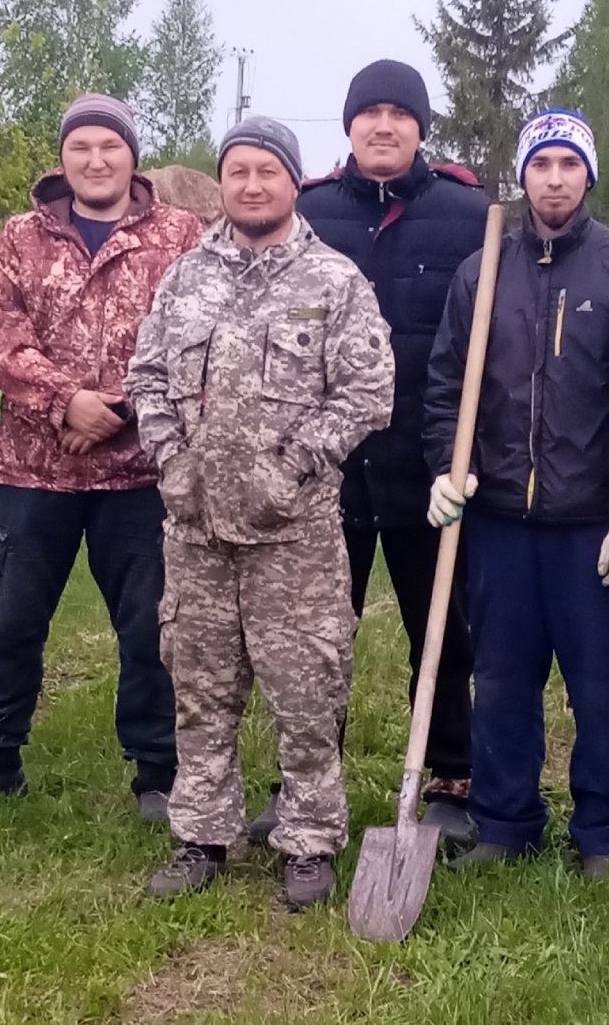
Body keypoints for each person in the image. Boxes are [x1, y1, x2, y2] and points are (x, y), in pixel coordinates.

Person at [126, 117, 395, 908]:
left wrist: (294, 466)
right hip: (197, 531)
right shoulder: (183, 280)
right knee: (200, 691)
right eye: (238, 171)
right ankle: (201, 833)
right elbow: (144, 377)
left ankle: (309, 841)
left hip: (295, 539)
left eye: (267, 172)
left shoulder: (333, 282)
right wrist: (172, 459)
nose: (251, 185)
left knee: (308, 691)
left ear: (293, 183)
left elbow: (368, 393)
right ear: (224, 182)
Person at [253, 59, 488, 847]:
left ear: (422, 127)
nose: (383, 125)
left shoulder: (469, 213)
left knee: (442, 627)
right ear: (348, 127)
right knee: (315, 636)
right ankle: (306, 787)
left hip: (430, 464)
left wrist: (465, 453)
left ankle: (454, 782)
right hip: (326, 470)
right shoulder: (310, 212)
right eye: (369, 113)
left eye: (399, 112)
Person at [424, 110, 609, 874]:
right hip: (498, 523)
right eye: (540, 164)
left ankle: (608, 831)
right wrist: (443, 467)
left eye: (568, 164)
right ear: (521, 176)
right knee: (500, 681)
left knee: (600, 688)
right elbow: (445, 386)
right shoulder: (481, 270)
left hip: (591, 525)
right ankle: (504, 824)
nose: (553, 178)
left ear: (588, 175)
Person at [0, 94, 202, 816]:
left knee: (152, 623)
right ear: (62, 158)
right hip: (35, 470)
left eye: (111, 147)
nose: (96, 160)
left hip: (142, 470)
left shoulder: (181, 235)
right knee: (11, 615)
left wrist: (118, 412)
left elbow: (196, 336)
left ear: (132, 155)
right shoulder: (19, 238)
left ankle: (157, 768)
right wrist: (66, 401)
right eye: (81, 148)